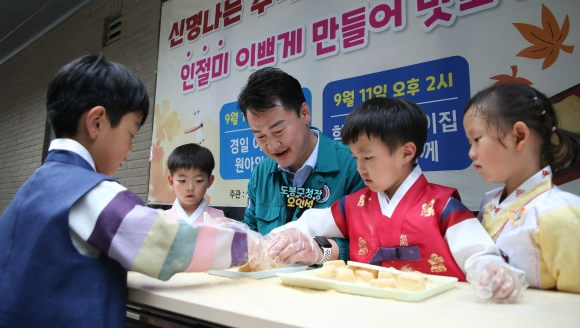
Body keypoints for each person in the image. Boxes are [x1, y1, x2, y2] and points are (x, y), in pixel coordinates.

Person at [0, 55, 266, 327]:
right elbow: (165, 244)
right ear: (96, 123)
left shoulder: (33, 188)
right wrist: (252, 246)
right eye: (130, 134)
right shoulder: (92, 194)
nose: (129, 151)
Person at [266, 97, 526, 302]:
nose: (360, 168)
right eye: (356, 158)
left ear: (406, 152)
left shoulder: (443, 205)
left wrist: (493, 273)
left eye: (367, 158)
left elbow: (480, 255)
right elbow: (310, 223)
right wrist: (271, 242)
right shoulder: (353, 206)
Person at [237, 67, 365, 262]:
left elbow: (368, 244)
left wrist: (320, 251)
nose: (272, 145)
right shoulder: (262, 173)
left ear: (304, 113)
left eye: (279, 131)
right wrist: (232, 234)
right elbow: (253, 233)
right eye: (260, 136)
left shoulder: (353, 167)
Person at [463, 83, 580, 293]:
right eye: (470, 142)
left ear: (519, 136)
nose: (472, 153)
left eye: (477, 139)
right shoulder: (489, 204)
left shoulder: (559, 213)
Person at [165, 143, 224, 224]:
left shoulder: (220, 218)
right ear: (171, 181)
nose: (190, 188)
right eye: (182, 180)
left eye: (198, 181)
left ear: (210, 181)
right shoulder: (161, 219)